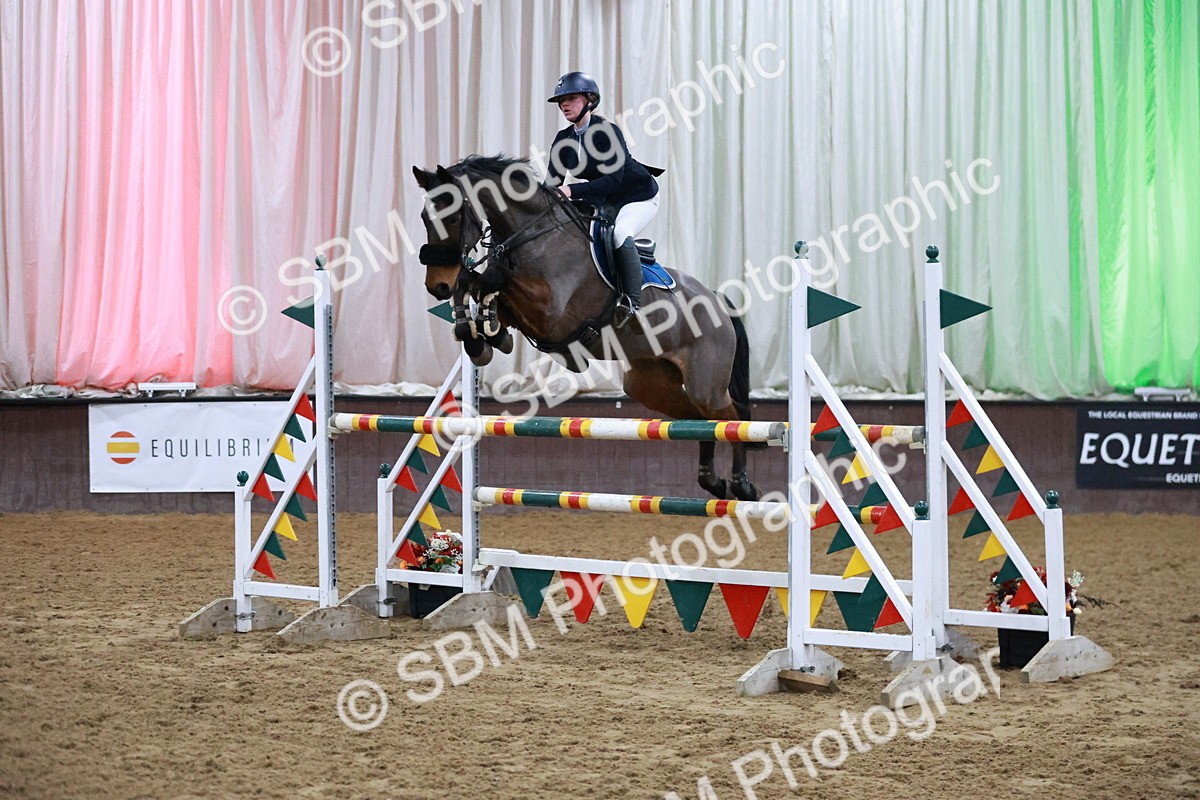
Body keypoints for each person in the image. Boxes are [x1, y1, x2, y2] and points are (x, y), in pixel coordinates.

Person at [544, 71, 662, 330]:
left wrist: (572, 192)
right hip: (603, 199)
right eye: (561, 101)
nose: (564, 105)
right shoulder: (563, 139)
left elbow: (613, 182)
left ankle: (633, 305)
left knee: (620, 233)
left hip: (637, 196)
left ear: (590, 100)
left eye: (570, 98)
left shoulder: (607, 132)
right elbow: (552, 184)